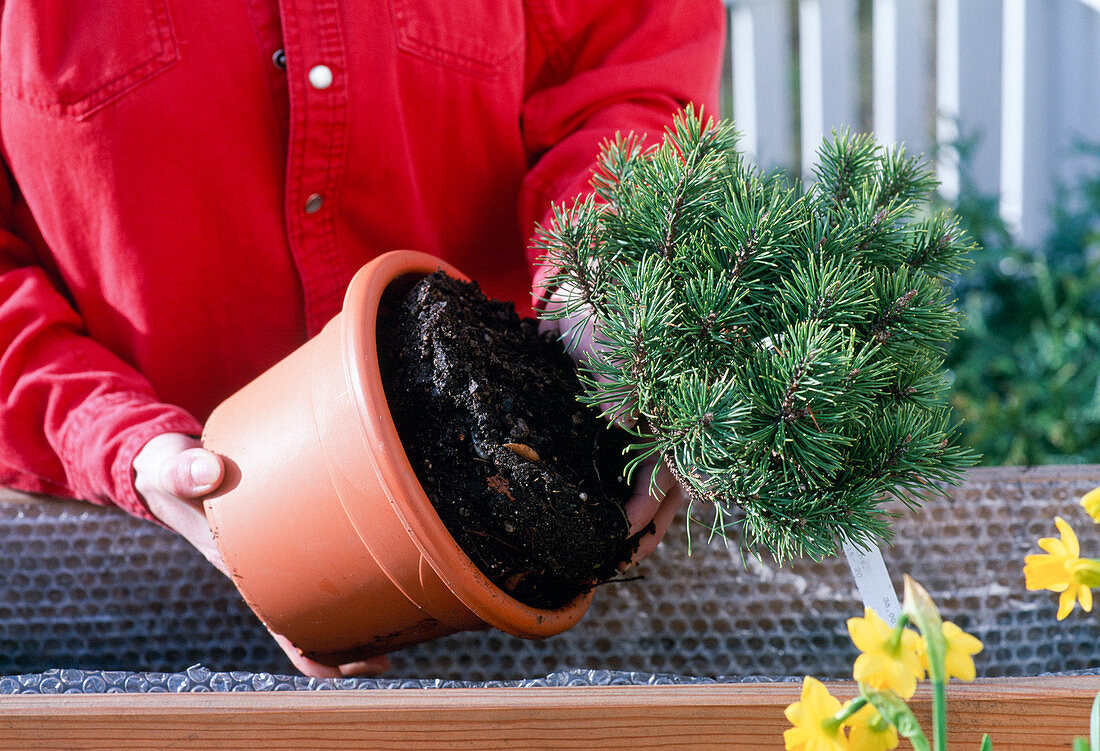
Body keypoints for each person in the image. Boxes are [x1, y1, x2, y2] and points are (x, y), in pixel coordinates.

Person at [0, 1, 726, 676]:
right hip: (118, 580)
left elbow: (626, 74)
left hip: (508, 563)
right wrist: (111, 435)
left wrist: (608, 279)